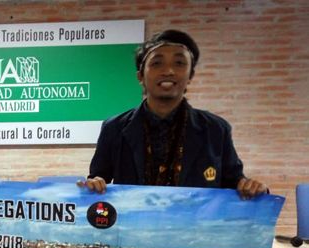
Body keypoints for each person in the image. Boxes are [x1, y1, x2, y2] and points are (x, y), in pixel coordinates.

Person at [83, 29, 266, 199]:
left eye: (179, 63)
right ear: (140, 77)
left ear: (190, 75)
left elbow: (235, 183)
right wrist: (92, 185)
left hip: (195, 224)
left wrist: (251, 188)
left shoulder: (216, 130)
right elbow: (97, 182)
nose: (168, 71)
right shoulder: (114, 128)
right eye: (157, 63)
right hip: (133, 222)